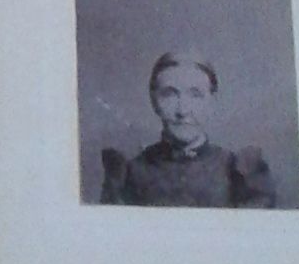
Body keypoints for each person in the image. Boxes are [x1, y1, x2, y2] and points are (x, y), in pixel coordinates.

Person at [100, 51, 278, 208]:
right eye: (169, 94)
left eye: (195, 95)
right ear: (154, 100)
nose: (183, 110)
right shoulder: (130, 174)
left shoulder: (237, 172)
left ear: (212, 101)